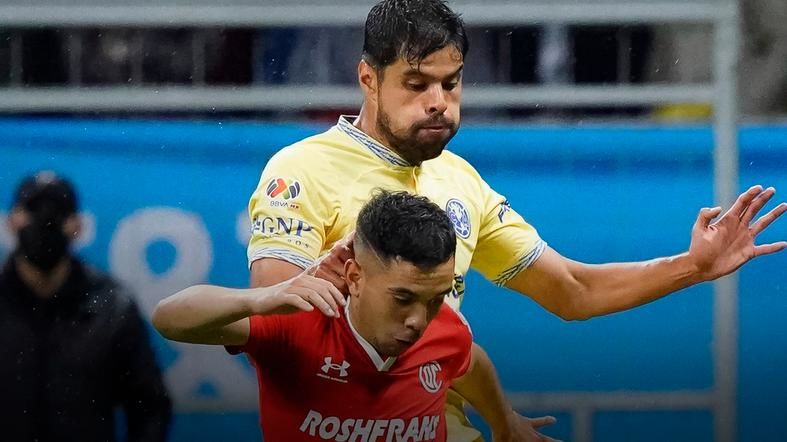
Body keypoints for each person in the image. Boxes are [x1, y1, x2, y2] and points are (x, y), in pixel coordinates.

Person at [245, 1, 787, 440]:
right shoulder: (301, 170)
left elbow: (571, 290)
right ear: (368, 78)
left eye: (451, 83)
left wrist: (693, 266)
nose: (438, 102)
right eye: (416, 84)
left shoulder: (461, 181)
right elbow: (275, 314)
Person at [153, 191, 553, 441]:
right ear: (355, 277)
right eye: (403, 298)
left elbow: (470, 363)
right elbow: (169, 318)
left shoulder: (446, 329)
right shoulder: (297, 323)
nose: (418, 320)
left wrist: (505, 422)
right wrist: (262, 298)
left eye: (435, 299)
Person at [0, 171, 172, 442]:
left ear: (77, 226)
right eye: (33, 210)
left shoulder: (111, 306)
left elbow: (149, 405)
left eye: (58, 212)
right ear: (11, 221)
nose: (45, 221)